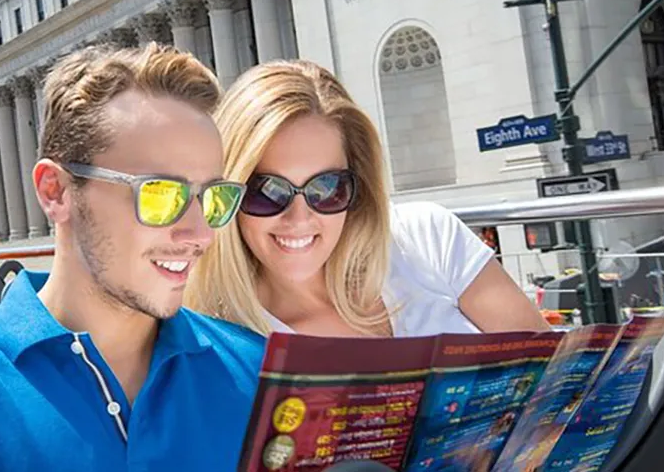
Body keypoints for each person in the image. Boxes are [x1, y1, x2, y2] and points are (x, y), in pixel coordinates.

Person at [0, 43, 265, 471]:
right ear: (56, 191)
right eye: (160, 194)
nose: (200, 233)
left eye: (216, 198)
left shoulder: (259, 373)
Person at [186, 60, 550, 338]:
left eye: (327, 189)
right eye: (267, 192)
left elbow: (552, 380)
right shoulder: (219, 337)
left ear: (357, 185)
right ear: (228, 194)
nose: (299, 219)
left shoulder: (426, 237)